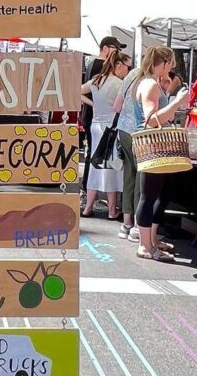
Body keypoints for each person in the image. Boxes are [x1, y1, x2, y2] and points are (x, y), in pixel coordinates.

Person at [132, 47, 188, 263]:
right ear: (164, 63)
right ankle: (145, 245)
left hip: (152, 146)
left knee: (157, 194)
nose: (171, 69)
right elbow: (151, 119)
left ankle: (150, 241)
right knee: (149, 196)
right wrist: (176, 102)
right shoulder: (151, 84)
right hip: (152, 146)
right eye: (171, 64)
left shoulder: (149, 82)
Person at [80, 51, 131, 219]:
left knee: (95, 166)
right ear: (118, 65)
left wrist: (92, 103)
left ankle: (88, 207)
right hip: (112, 128)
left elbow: (77, 92)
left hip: (96, 125)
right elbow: (120, 107)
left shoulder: (96, 80)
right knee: (112, 168)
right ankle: (111, 210)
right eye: (126, 66)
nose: (127, 70)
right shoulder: (119, 84)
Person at [80, 36, 125, 195]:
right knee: (101, 159)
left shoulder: (92, 64)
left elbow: (80, 91)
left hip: (93, 119)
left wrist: (91, 104)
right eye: (116, 48)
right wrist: (94, 104)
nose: (117, 52)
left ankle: (89, 192)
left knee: (93, 156)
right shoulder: (100, 68)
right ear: (105, 48)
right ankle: (93, 192)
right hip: (102, 120)